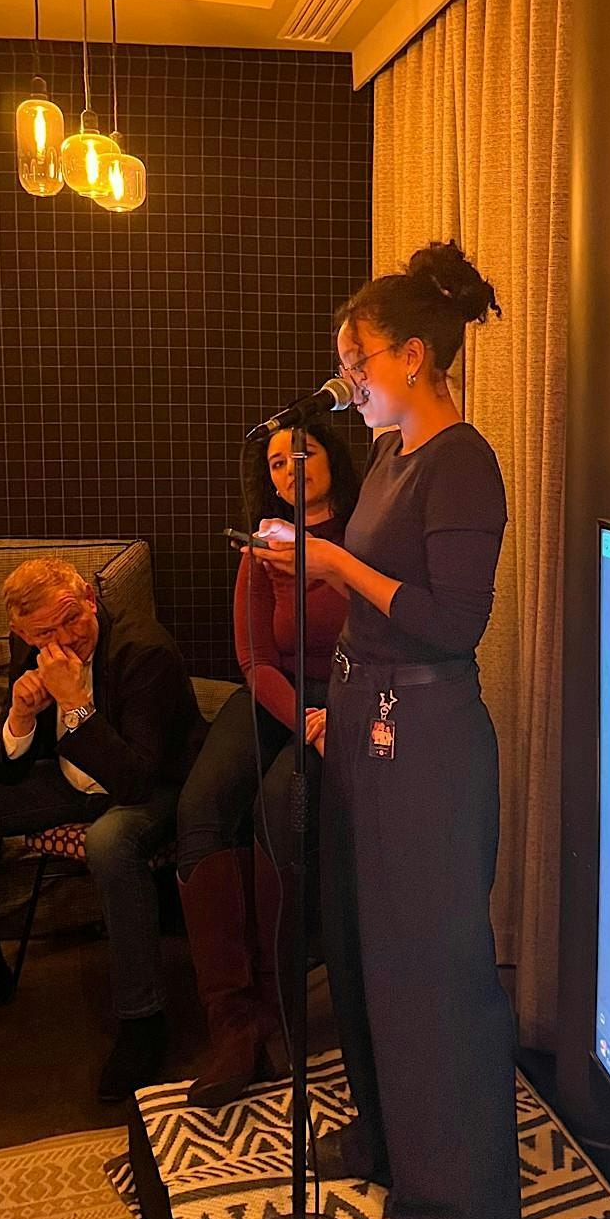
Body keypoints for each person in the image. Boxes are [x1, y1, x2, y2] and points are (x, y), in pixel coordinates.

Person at [255, 240, 520, 1219]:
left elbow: (453, 622)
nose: (347, 382)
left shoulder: (463, 462)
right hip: (365, 717)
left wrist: (331, 563)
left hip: (429, 737)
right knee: (363, 941)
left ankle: (458, 1199)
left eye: (356, 361)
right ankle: (387, 1138)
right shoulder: (391, 456)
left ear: (414, 355)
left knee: (430, 963)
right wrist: (306, 561)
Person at [0, 557, 206, 1102]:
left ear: (90, 599)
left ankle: (143, 1019)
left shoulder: (145, 650)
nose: (65, 639)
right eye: (45, 633)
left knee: (110, 843)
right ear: (23, 633)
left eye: (72, 618)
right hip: (70, 778)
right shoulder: (34, 647)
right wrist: (21, 719)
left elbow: (136, 780)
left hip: (155, 787)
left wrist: (74, 703)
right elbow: (6, 771)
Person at [176, 419, 359, 1108]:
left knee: (276, 811)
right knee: (199, 809)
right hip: (276, 696)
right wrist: (300, 719)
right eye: (278, 463)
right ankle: (235, 1025)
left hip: (344, 697)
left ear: (334, 458)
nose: (290, 468)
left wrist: (326, 718)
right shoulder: (261, 546)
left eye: (303, 453)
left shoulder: (365, 536)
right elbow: (255, 658)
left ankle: (280, 1010)